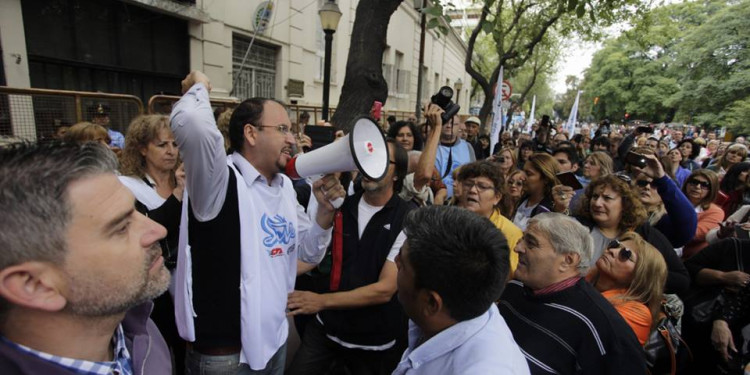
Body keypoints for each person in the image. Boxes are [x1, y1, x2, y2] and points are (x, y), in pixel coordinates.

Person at [170, 71, 344, 374]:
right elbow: (194, 124)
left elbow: (305, 254)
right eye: (281, 129)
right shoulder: (217, 181)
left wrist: (324, 217)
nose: (291, 139)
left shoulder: (285, 187)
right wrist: (197, 86)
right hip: (225, 358)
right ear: (250, 134)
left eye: (290, 129)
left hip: (273, 343)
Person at [0, 142, 172, 374]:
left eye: (136, 212)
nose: (158, 230)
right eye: (121, 227)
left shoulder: (139, 330)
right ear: (35, 285)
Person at [286, 140, 413, 375]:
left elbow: (385, 289)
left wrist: (320, 301)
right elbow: (313, 253)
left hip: (373, 342)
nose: (370, 166)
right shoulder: (343, 206)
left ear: (398, 174)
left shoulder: (408, 218)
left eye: (383, 161)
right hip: (326, 329)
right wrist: (325, 210)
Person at [498, 213, 646, 374]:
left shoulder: (601, 328)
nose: (517, 248)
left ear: (568, 261)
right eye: (522, 239)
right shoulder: (515, 286)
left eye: (531, 243)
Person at [392, 206, 530, 375]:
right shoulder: (470, 298)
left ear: (431, 303)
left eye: (403, 264)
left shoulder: (485, 369)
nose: (395, 261)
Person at [118, 114, 186, 372]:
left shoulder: (184, 178)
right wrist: (179, 194)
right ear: (142, 148)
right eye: (162, 145)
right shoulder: (128, 186)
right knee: (160, 346)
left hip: (189, 279)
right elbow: (148, 229)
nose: (171, 152)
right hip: (154, 285)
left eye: (175, 144)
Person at [683, 238, 750, 375]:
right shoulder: (733, 246)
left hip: (735, 349)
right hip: (695, 327)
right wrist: (722, 276)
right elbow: (686, 271)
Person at [587, 232, 667, 345]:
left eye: (625, 254)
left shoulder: (638, 313)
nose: (612, 251)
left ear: (640, 276)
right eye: (615, 244)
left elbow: (583, 331)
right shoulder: (586, 278)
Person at [456, 161, 522, 273]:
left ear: (497, 197)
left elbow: (508, 275)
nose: (472, 190)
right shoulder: (450, 222)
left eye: (482, 187)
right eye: (468, 184)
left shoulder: (510, 232)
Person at [630, 151, 698, 249]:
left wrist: (662, 180)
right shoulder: (623, 209)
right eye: (642, 183)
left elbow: (687, 223)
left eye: (654, 185)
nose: (647, 187)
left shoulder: (664, 221)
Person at [512, 153, 563, 230]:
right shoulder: (520, 199)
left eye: (528, 174)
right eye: (523, 171)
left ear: (546, 178)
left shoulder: (547, 212)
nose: (522, 177)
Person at [682, 169, 724, 258]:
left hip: (684, 255)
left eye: (704, 185)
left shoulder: (716, 212)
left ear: (712, 189)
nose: (697, 186)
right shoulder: (672, 199)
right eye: (694, 182)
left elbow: (693, 234)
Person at [434, 116, 476, 198]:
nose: (449, 126)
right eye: (445, 122)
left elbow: (474, 174)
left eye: (453, 124)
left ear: (459, 127)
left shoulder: (467, 147)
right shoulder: (431, 145)